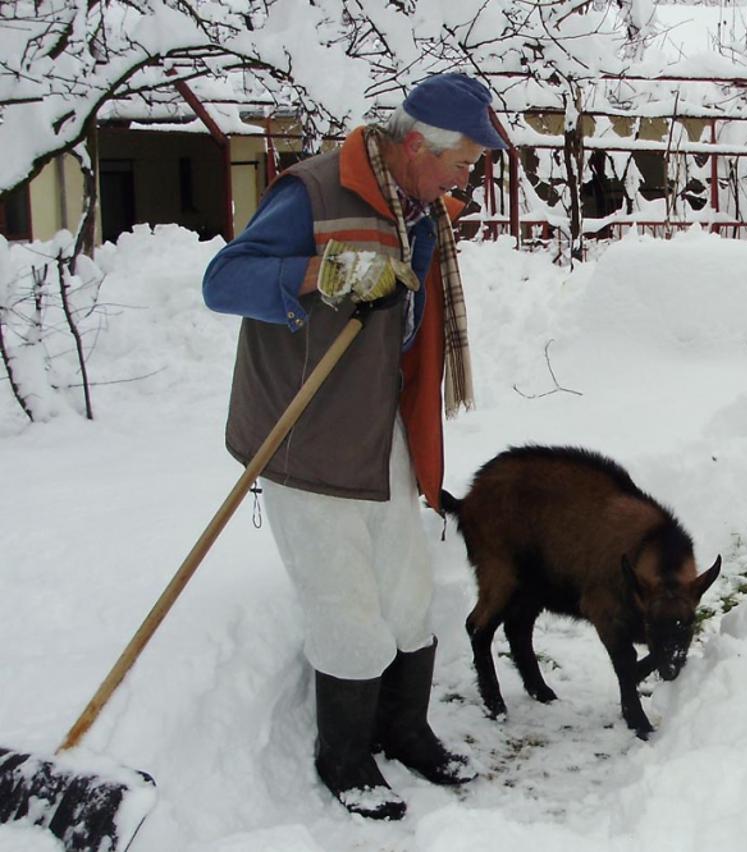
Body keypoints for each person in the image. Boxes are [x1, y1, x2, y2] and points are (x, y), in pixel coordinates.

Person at [202, 73, 506, 821]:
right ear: (413, 145)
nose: (466, 179)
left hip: (377, 430)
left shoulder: (418, 210)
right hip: (307, 441)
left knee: (408, 597)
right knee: (347, 612)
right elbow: (222, 281)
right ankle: (344, 757)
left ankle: (404, 730)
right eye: (461, 163)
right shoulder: (310, 193)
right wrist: (320, 272)